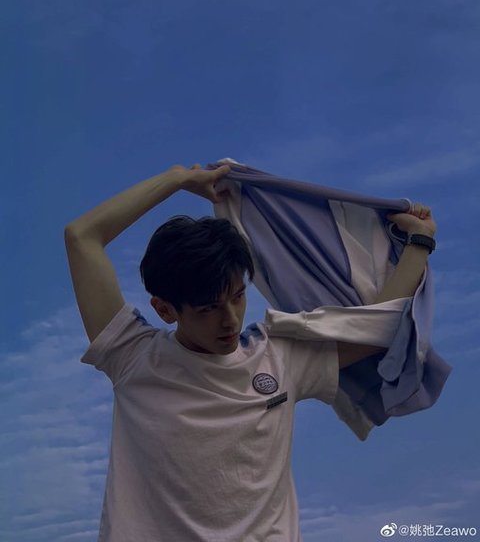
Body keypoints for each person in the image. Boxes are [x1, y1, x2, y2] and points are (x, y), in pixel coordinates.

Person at [64, 163, 436, 542]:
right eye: (209, 309)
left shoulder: (278, 356)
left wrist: (419, 243)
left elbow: (376, 327)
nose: (229, 320)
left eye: (238, 297)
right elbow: (81, 237)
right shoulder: (132, 357)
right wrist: (179, 179)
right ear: (165, 309)